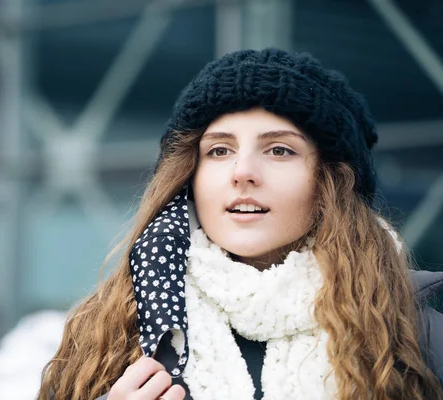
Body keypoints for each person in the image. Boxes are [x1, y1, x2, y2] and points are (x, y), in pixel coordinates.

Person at [38, 48, 443, 400]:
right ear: (189, 176)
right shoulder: (111, 331)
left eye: (279, 150)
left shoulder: (411, 335)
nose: (243, 172)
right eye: (219, 150)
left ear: (331, 181)